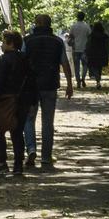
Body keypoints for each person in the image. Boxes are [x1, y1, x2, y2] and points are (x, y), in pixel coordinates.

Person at [21, 13, 72, 169]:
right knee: (48, 122)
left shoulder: (27, 41)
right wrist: (70, 84)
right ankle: (46, 157)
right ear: (50, 25)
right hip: (50, 84)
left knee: (29, 119)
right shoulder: (57, 41)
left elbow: (22, 62)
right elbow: (64, 63)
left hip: (31, 86)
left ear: (36, 24)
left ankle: (30, 149)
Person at [0, 28, 32, 175]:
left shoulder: (4, 60)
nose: (1, 44)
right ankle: (18, 166)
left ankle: (1, 162)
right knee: (17, 132)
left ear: (10, 43)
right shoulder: (25, 59)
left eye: (3, 41)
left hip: (5, 100)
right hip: (23, 100)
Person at [84, 21, 109, 89]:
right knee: (99, 67)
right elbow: (107, 46)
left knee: (94, 67)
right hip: (102, 53)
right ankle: (98, 80)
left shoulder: (91, 36)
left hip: (93, 53)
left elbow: (88, 45)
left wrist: (86, 52)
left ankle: (98, 80)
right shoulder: (105, 36)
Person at [67, 11, 92, 85]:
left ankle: (78, 81)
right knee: (85, 65)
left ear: (77, 17)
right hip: (84, 49)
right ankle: (83, 79)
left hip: (75, 49)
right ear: (84, 17)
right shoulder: (87, 26)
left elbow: (70, 37)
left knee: (76, 66)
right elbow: (89, 37)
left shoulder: (73, 26)